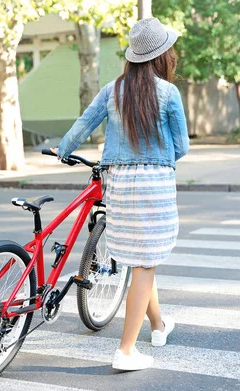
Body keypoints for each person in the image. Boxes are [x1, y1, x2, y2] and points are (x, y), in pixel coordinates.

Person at [52, 17, 189, 371]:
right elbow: (181, 147)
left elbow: (83, 124)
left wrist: (64, 149)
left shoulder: (111, 91)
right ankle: (126, 351)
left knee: (141, 259)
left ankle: (158, 326)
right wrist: (158, 161)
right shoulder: (169, 93)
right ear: (162, 56)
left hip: (121, 183)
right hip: (155, 184)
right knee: (146, 261)